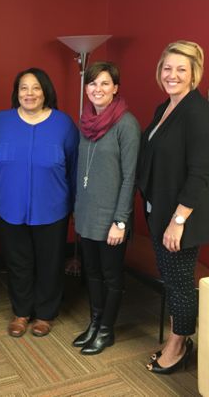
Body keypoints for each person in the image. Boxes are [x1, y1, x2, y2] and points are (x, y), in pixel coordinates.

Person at [137, 40, 209, 374]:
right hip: (160, 213)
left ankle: (179, 344)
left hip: (181, 219)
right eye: (167, 68)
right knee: (172, 280)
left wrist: (178, 220)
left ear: (194, 74)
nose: (172, 75)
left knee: (181, 284)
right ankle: (179, 336)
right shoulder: (165, 107)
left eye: (181, 69)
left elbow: (200, 174)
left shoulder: (198, 114)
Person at [0, 68, 79, 338]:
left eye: (36, 88)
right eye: (24, 88)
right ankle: (21, 312)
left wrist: (75, 205)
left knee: (50, 262)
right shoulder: (1, 122)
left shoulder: (64, 124)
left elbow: (74, 167)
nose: (29, 93)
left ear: (46, 92)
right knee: (18, 262)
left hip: (52, 208)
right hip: (9, 206)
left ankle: (45, 314)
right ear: (16, 93)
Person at [72, 62, 140, 355]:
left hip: (113, 219)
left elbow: (130, 177)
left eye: (104, 84)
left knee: (111, 276)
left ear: (115, 88)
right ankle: (95, 321)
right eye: (92, 84)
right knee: (93, 273)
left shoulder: (127, 124)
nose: (97, 90)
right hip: (87, 214)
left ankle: (107, 330)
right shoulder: (86, 122)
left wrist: (121, 221)